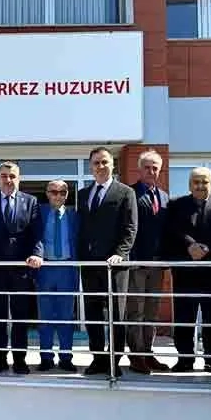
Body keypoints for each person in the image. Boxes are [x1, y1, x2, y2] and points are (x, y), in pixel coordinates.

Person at [0, 161, 43, 375]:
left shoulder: (31, 201)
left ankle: (20, 359)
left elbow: (37, 234)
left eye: (12, 176)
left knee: (20, 316)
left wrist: (37, 254)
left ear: (19, 179)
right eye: (4, 176)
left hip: (21, 269)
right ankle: (0, 357)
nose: (8, 180)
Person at [76, 147, 137, 377]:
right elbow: (82, 229)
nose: (100, 167)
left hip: (115, 265)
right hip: (90, 265)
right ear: (91, 167)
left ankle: (114, 360)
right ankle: (98, 358)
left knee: (116, 314)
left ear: (113, 165)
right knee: (93, 314)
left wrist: (120, 253)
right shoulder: (83, 194)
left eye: (104, 162)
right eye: (96, 163)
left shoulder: (125, 192)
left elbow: (130, 228)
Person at [164, 167, 211, 373]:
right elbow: (172, 231)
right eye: (196, 182)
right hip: (185, 271)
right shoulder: (176, 204)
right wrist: (190, 245)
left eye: (204, 182)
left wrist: (207, 248)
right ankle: (185, 358)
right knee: (183, 317)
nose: (200, 186)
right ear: (189, 185)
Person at [127, 150, 170, 374]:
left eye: (155, 168)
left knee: (152, 311)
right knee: (135, 311)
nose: (151, 171)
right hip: (136, 264)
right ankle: (136, 355)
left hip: (157, 265)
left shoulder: (164, 197)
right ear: (139, 169)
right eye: (147, 167)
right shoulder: (130, 194)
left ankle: (147, 352)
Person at [36, 180, 79, 372]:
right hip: (45, 268)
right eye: (54, 192)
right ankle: (46, 357)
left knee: (66, 316)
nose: (58, 195)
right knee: (45, 316)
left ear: (67, 195)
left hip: (67, 268)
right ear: (47, 193)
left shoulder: (74, 215)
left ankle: (66, 358)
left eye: (62, 192)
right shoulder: (38, 213)